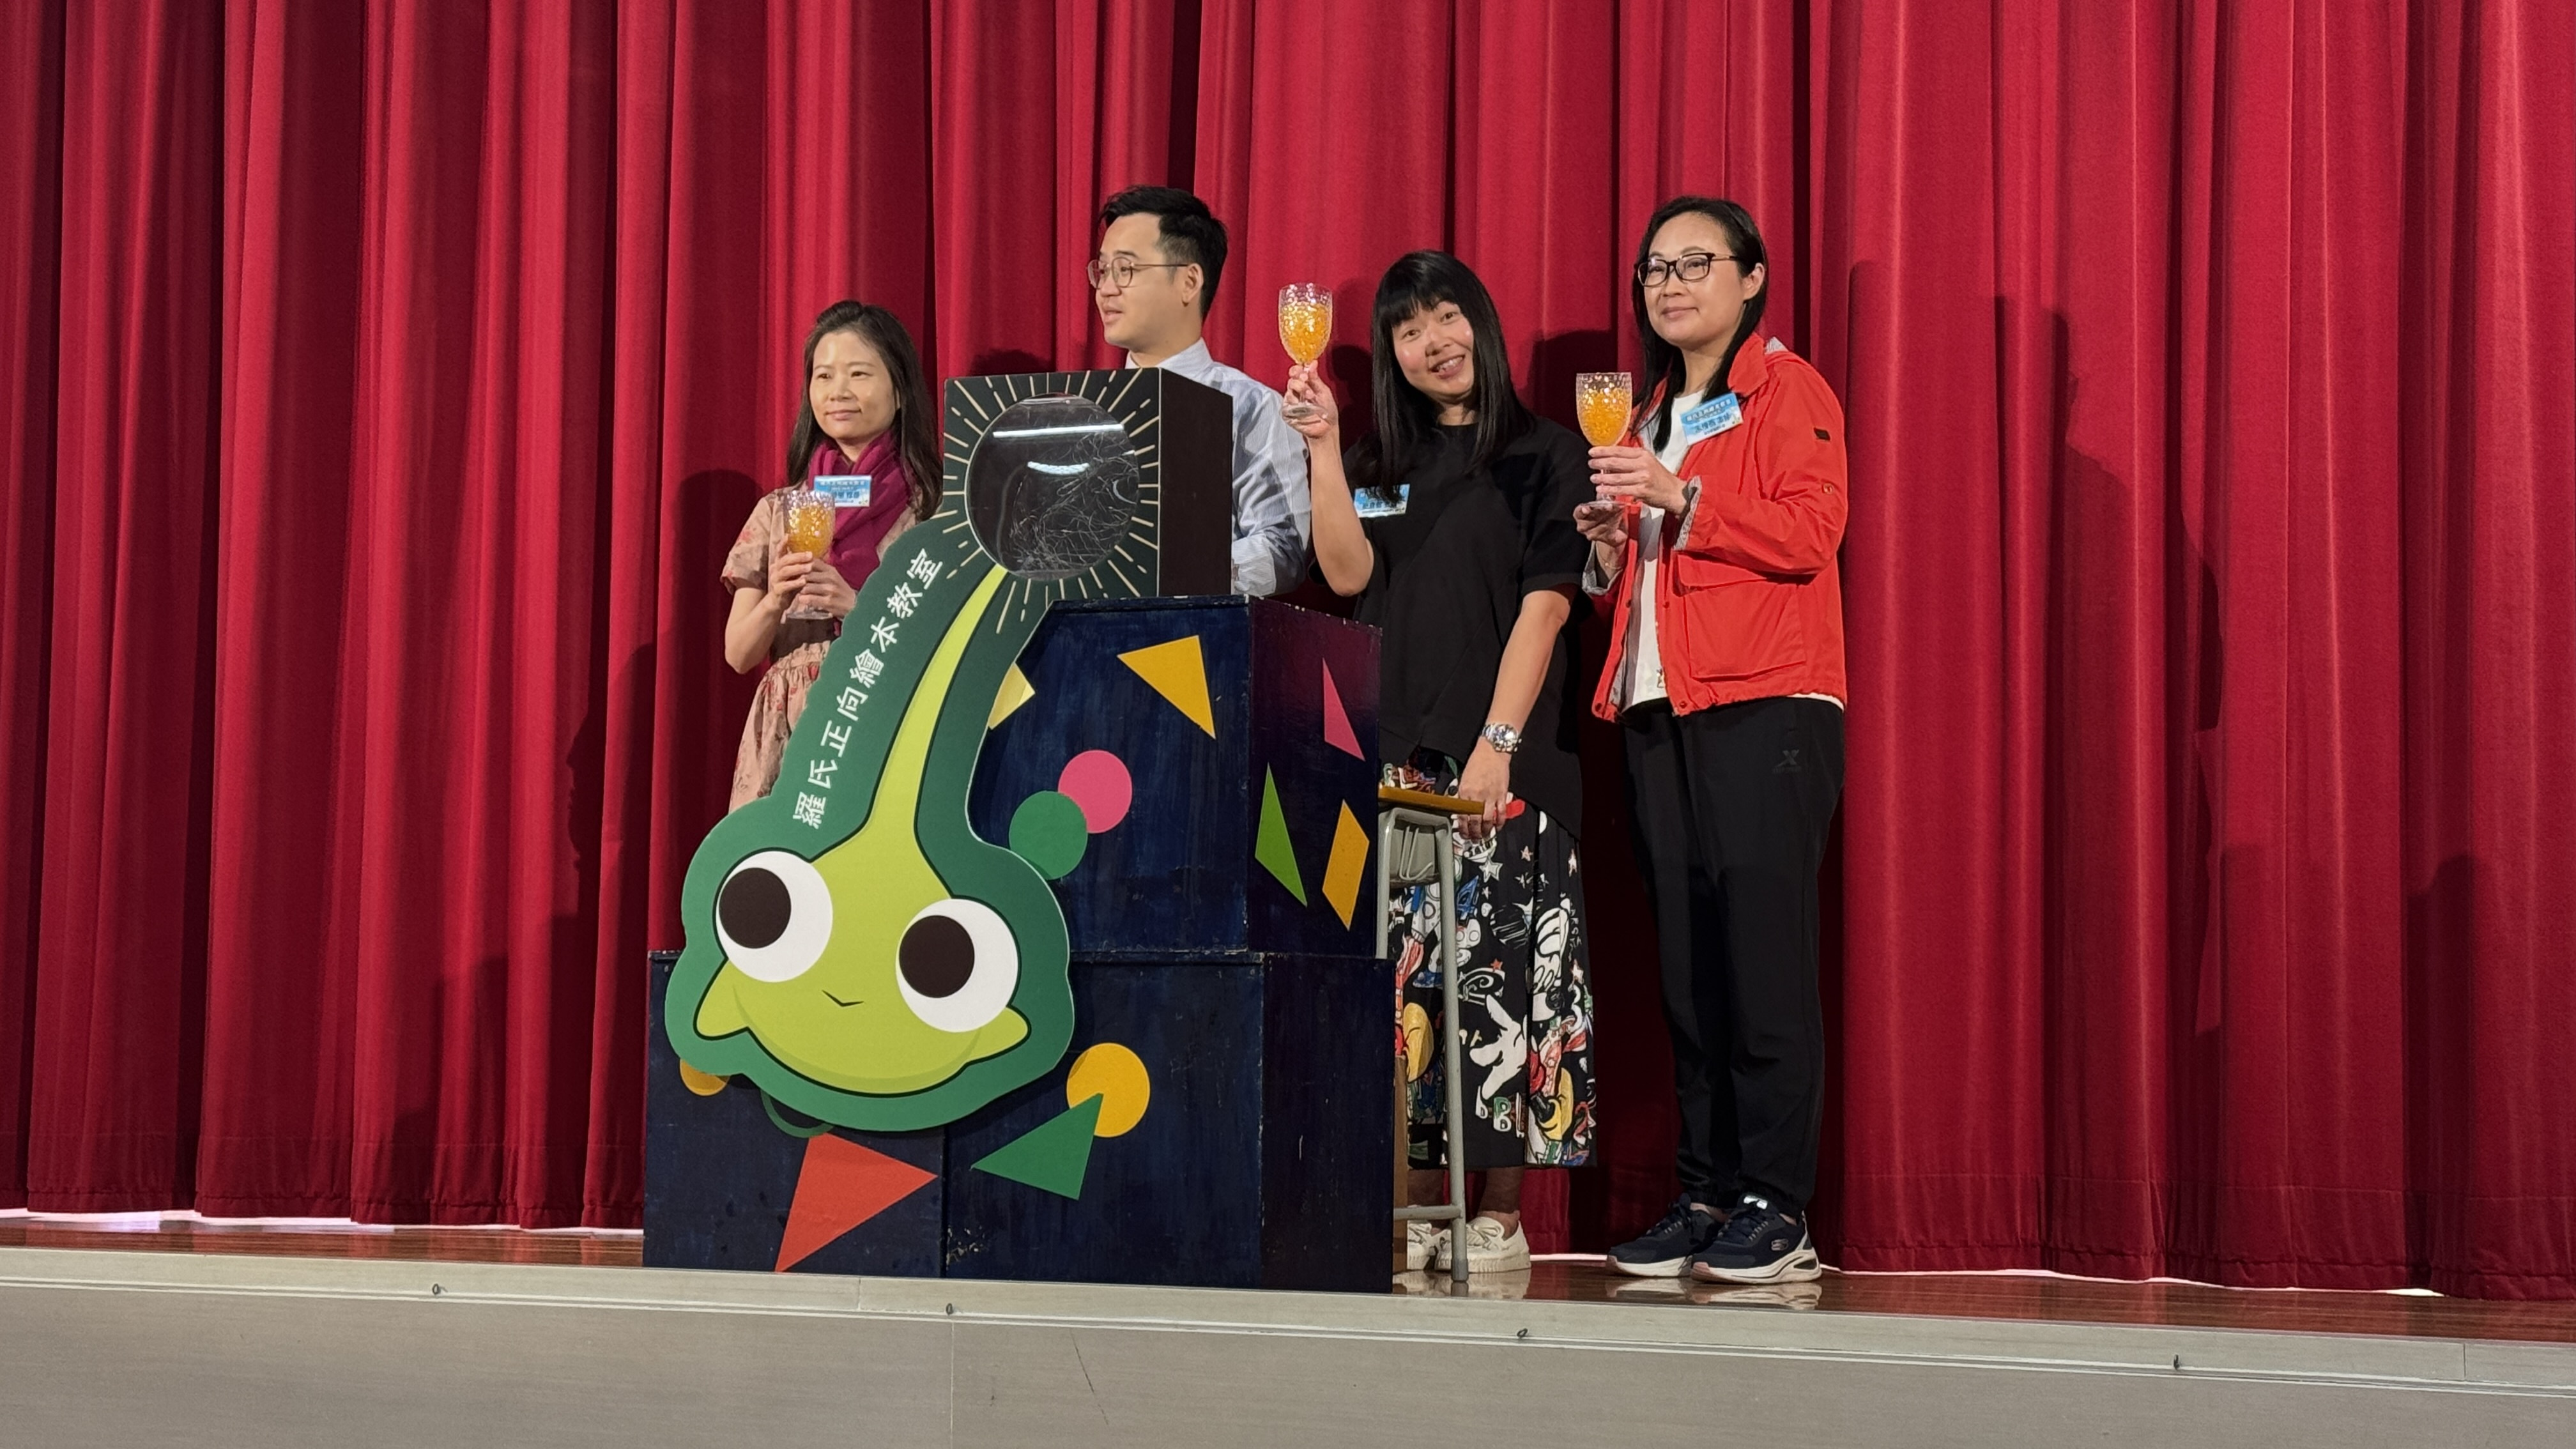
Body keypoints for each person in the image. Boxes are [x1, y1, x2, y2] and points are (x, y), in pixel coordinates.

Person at [1283, 251, 1597, 1275]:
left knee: (1506, 991)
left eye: (1446, 317)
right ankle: (1426, 1205)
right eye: (1409, 330)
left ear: (1481, 323)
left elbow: (1548, 606)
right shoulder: (1380, 459)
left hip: (1505, 760)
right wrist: (1324, 449)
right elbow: (1346, 576)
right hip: (1399, 766)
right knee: (1417, 1000)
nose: (1433, 343)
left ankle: (1500, 1214)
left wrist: (1497, 747)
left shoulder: (1547, 452)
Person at [1577, 198, 1848, 1285]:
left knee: (1762, 962)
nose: (1671, 284)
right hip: (1659, 704)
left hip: (1766, 700)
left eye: (1696, 263)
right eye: (1655, 269)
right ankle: (1705, 1191)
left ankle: (1778, 1207)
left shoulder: (1786, 387)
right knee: (1688, 972)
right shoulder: (1648, 413)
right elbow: (1641, 582)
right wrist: (1607, 550)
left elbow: (1813, 530)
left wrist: (1681, 499)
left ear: (1752, 277)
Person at [721, 300, 941, 810]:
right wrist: (776, 600)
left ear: (900, 391)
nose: (838, 391)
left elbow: (954, 646)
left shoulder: (935, 510)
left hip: (890, 716)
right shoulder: (778, 511)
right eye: (823, 376)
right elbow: (738, 655)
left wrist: (859, 609)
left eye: (859, 374)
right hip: (790, 730)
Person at [1091, 185, 1310, 595]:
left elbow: (1284, 550)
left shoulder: (1250, 407)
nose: (1106, 289)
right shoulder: (1085, 409)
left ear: (1189, 281)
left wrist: (1165, 573)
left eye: (1125, 269)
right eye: (1102, 271)